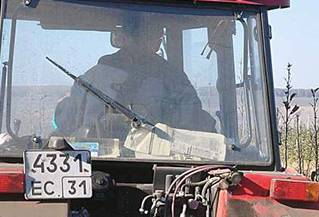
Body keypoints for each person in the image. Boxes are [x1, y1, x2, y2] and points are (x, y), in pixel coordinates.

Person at [54, 12, 215, 138]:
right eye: (159, 37)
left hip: (96, 167)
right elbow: (195, 124)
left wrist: (63, 104)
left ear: (122, 37)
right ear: (155, 39)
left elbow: (66, 124)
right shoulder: (174, 78)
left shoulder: (93, 76)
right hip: (161, 169)